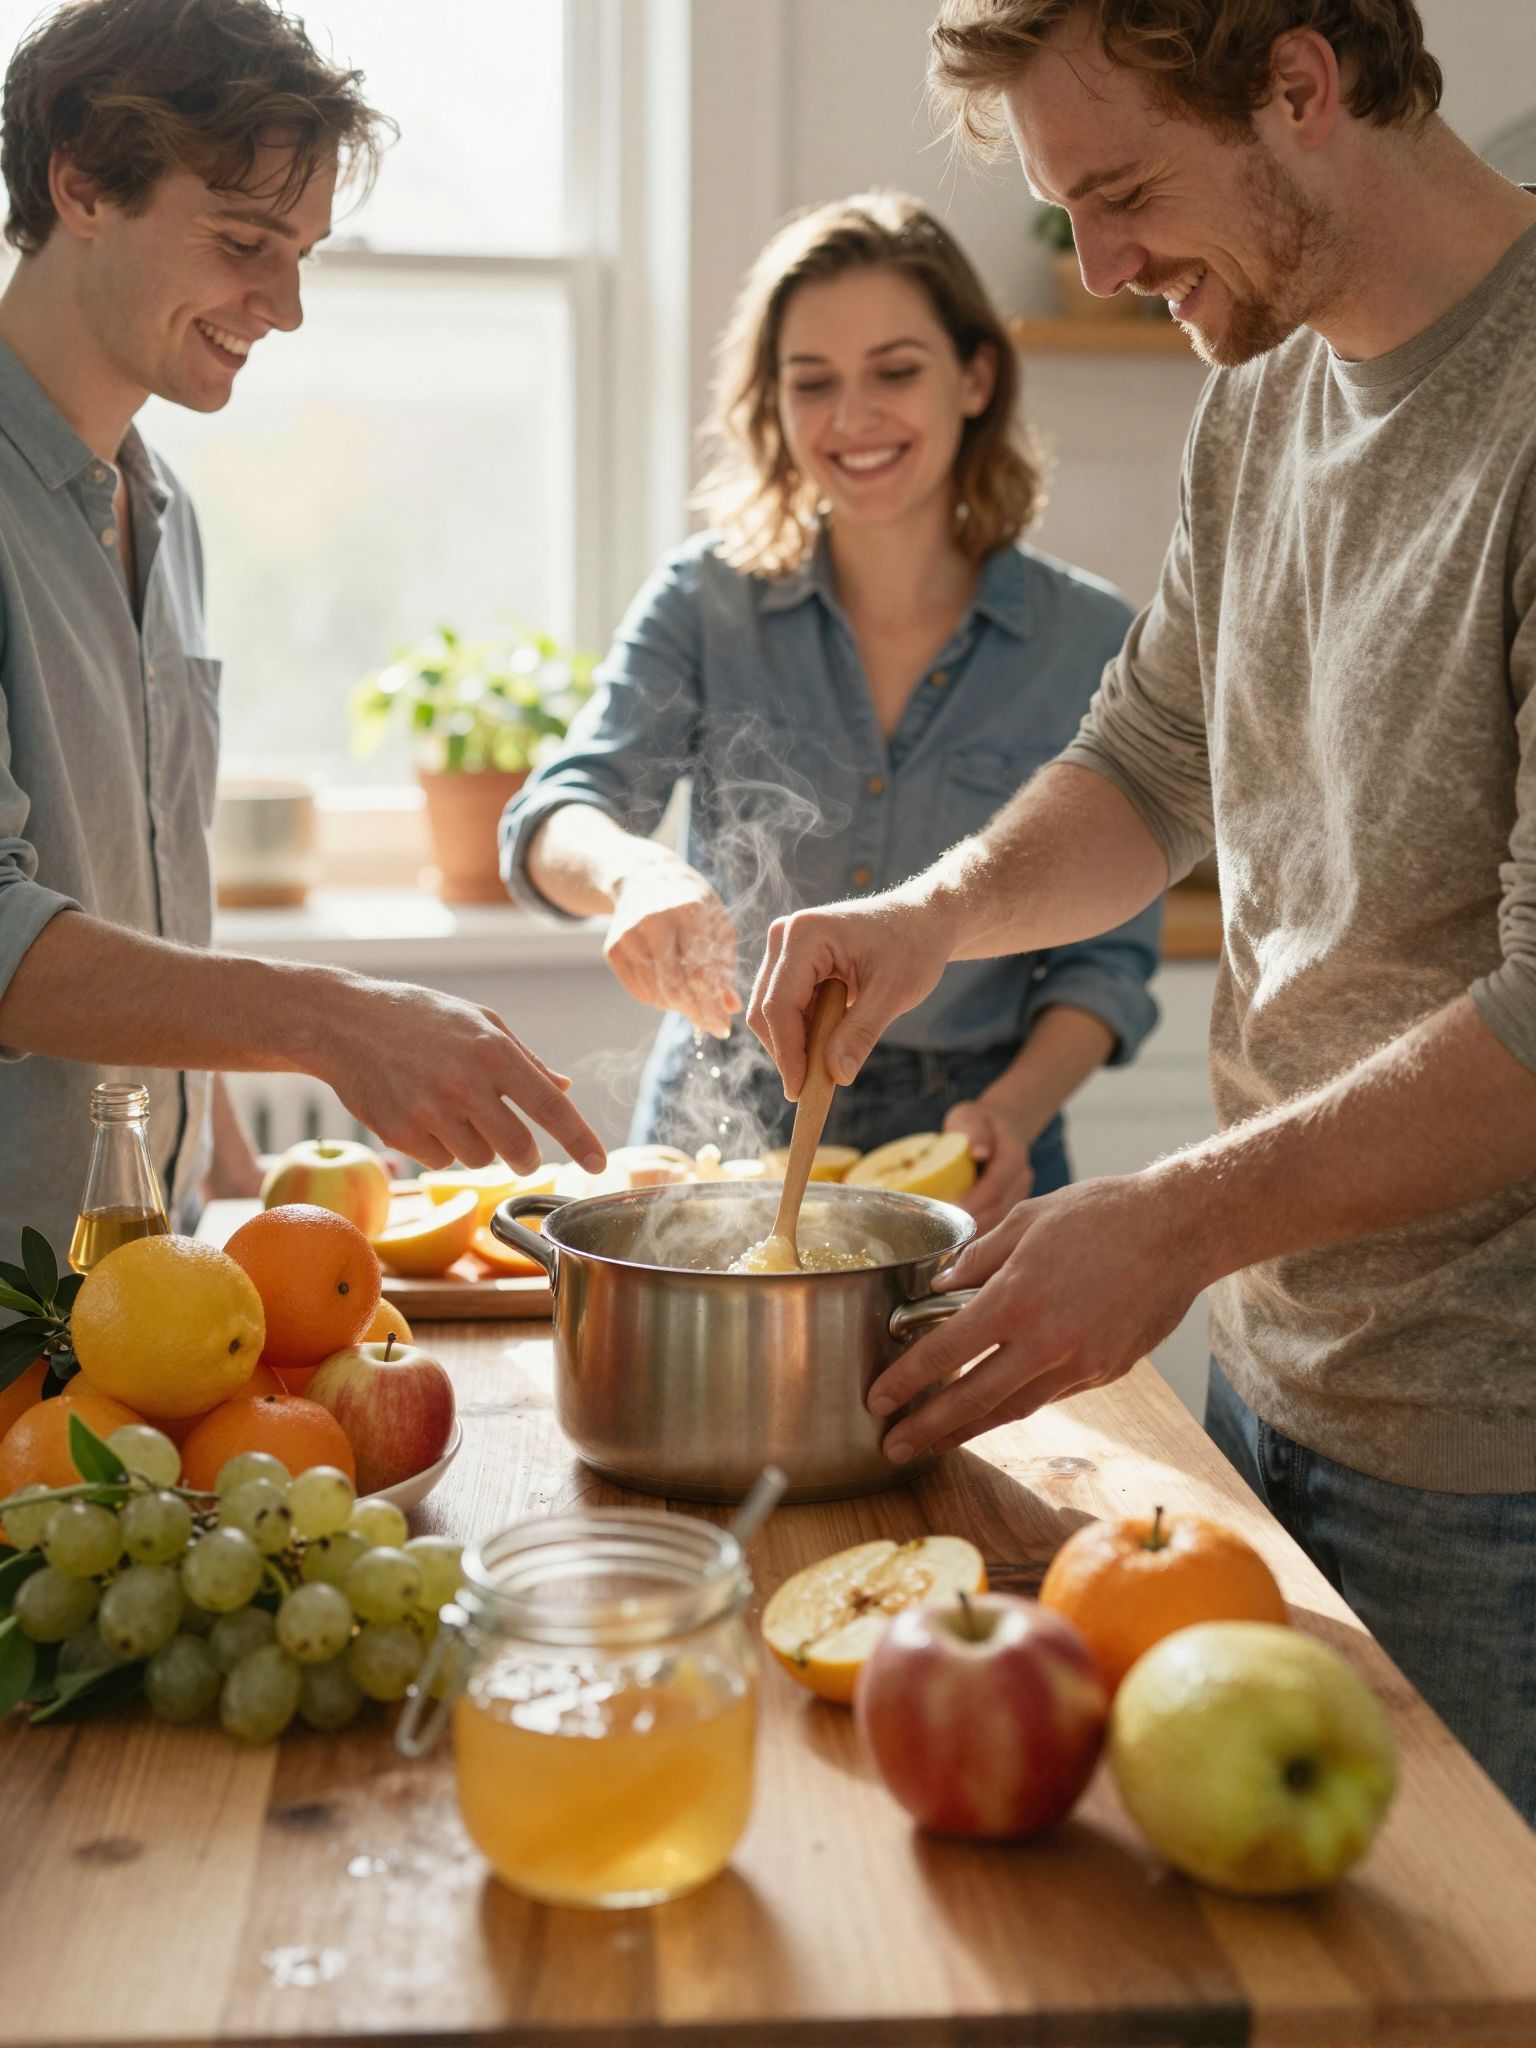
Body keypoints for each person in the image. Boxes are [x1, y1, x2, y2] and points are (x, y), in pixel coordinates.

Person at [748, 0, 1536, 1818]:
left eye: (1120, 193)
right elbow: (1155, 754)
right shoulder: (1261, 379)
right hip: (1272, 1384)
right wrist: (928, 912)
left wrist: (1171, 1215)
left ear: (1300, 86)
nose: (1095, 269)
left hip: (1495, 1462)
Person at [0, 0, 605, 1270]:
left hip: (120, 1304)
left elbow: (133, 893)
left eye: (304, 252)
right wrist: (332, 1019)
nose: (283, 303)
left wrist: (212, 1157)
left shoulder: (161, 517)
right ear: (80, 184)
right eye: (243, 241)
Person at [504, 193, 1159, 1228]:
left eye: (896, 371)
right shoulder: (704, 600)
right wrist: (632, 873)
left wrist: (1010, 1111)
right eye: (813, 383)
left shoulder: (1088, 638)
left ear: (975, 377)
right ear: (773, 403)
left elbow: (1108, 954)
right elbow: (555, 813)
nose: (852, 420)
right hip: (720, 1110)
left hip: (974, 1124)